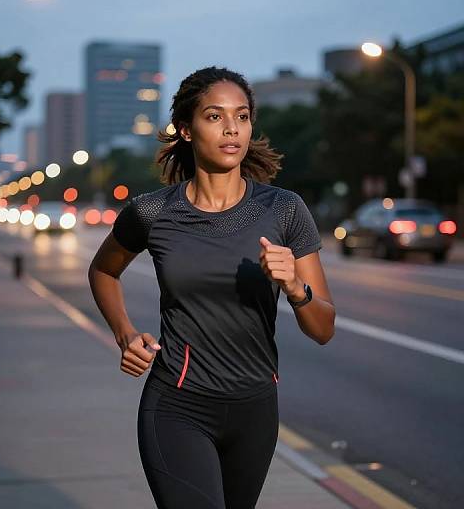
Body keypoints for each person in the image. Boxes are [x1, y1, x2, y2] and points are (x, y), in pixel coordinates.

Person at [88, 66, 335, 508]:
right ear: (185, 128)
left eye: (241, 117)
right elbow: (103, 271)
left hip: (255, 409)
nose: (231, 129)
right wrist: (125, 333)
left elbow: (323, 329)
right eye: (214, 116)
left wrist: (296, 287)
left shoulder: (284, 210)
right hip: (177, 405)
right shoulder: (152, 212)